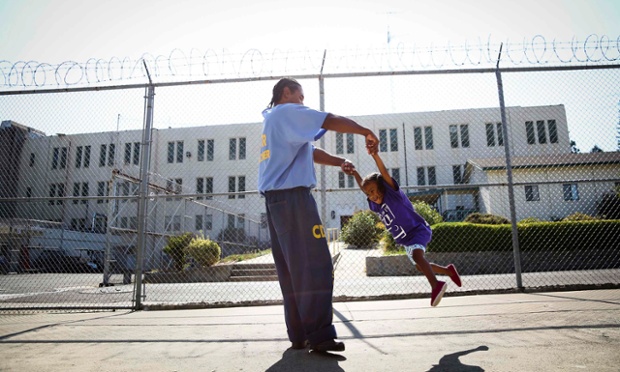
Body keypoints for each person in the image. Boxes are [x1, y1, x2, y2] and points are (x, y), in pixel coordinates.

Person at [258, 78, 379, 353]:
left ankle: (299, 334)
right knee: (316, 265)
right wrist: (364, 131)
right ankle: (321, 335)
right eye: (300, 96)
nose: (302, 102)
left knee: (292, 271)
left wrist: (339, 162)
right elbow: (328, 119)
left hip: (277, 202)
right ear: (286, 93)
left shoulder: (272, 120)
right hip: (294, 201)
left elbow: (309, 151)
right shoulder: (286, 111)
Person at [348, 149, 462, 307]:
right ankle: (448, 271)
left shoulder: (393, 194)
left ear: (382, 187)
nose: (371, 195)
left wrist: (375, 155)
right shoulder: (376, 204)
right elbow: (364, 187)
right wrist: (354, 174)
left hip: (418, 230)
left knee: (417, 256)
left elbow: (383, 172)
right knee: (420, 265)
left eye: (373, 191)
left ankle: (436, 285)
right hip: (407, 240)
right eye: (368, 194)